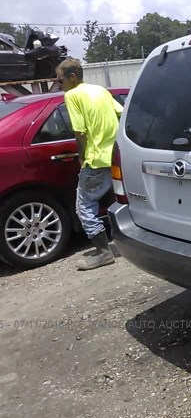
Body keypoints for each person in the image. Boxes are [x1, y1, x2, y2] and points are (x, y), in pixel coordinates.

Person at [55, 58, 123, 270]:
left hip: (95, 157)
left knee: (84, 206)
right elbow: (121, 113)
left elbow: (80, 132)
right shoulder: (100, 90)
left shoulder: (72, 95)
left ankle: (103, 253)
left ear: (73, 78)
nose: (60, 85)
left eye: (61, 81)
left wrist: (83, 157)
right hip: (115, 155)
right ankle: (122, 243)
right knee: (117, 199)